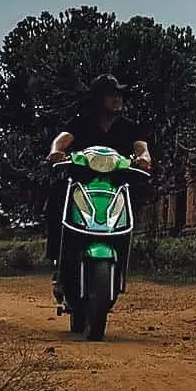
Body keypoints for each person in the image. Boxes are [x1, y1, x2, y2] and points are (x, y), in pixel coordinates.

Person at [44, 74, 152, 293]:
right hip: (82, 183)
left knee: (134, 201)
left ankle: (121, 265)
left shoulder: (129, 127)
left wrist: (144, 159)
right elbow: (62, 139)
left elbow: (142, 148)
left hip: (115, 185)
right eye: (111, 94)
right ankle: (58, 262)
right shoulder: (81, 121)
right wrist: (56, 151)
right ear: (98, 98)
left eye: (119, 94)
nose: (117, 99)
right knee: (57, 197)